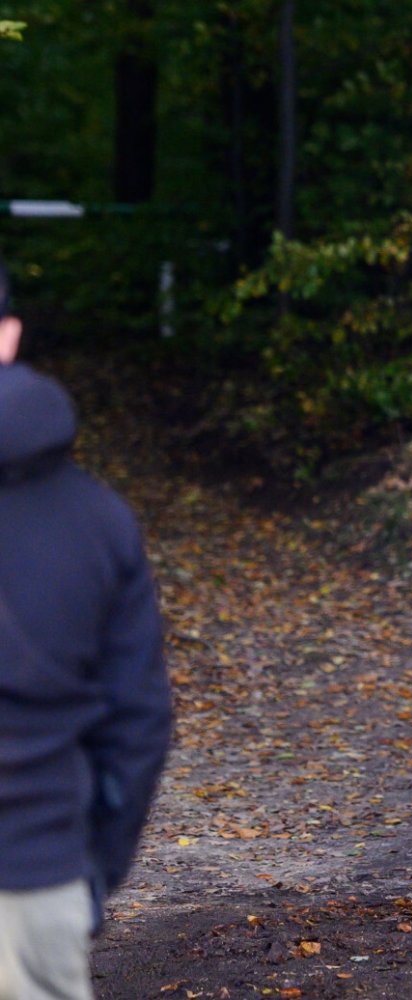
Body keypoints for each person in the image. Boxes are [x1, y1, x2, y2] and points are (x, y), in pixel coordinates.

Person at [0, 261, 172, 1000]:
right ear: (9, 335)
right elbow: (139, 726)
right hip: (36, 879)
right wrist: (91, 872)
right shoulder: (98, 521)